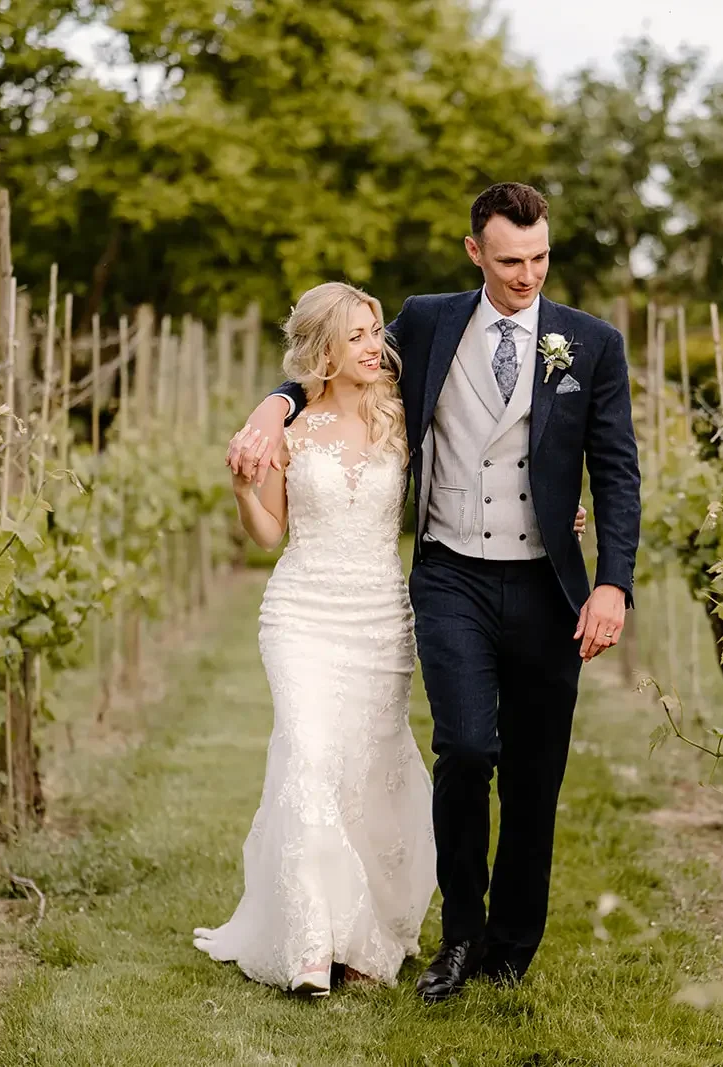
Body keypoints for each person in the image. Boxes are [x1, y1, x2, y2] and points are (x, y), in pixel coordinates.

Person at [227, 183, 641, 1003]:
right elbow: (332, 372)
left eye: (540, 258)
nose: (528, 276)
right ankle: (458, 934)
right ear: (474, 252)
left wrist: (613, 584)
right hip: (450, 574)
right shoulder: (426, 320)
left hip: (546, 583)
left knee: (533, 771)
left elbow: (617, 471)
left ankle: (511, 944)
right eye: (511, 260)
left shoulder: (591, 344)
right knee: (467, 749)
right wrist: (272, 409)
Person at [194, 282, 436, 997]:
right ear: (322, 348)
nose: (374, 346)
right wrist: (243, 489)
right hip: (301, 614)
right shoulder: (290, 432)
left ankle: (365, 932)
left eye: (374, 333)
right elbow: (269, 533)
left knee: (368, 768)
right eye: (357, 335)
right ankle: (308, 944)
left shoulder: (401, 414)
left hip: (380, 615)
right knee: (307, 756)